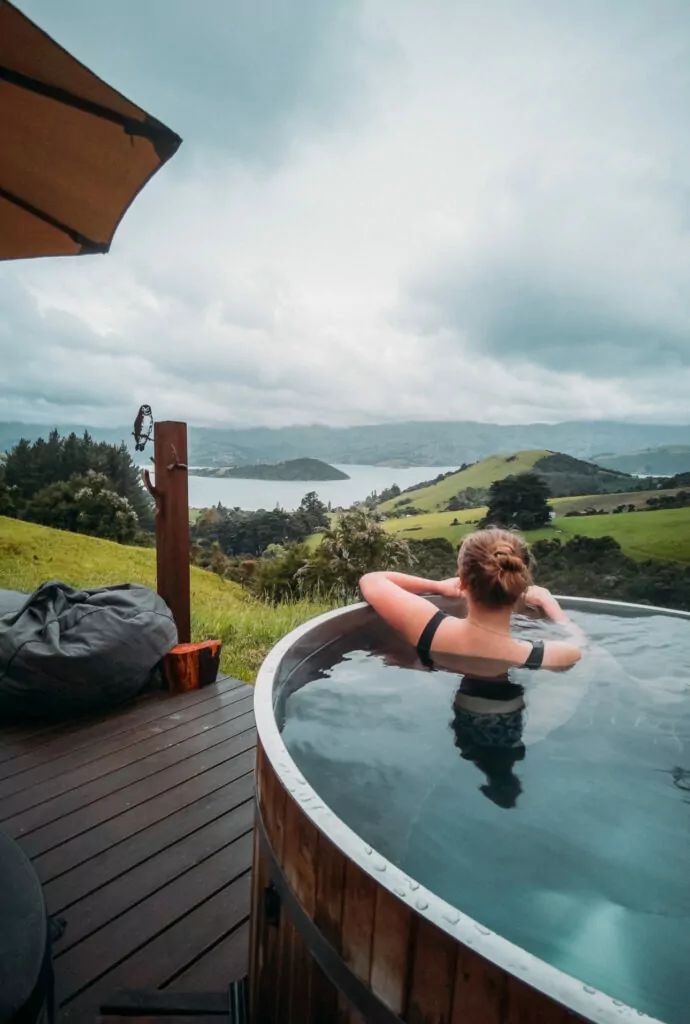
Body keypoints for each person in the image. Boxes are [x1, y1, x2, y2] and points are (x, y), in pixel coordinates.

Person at [359, 526, 583, 677]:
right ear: (519, 586)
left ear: (463, 581)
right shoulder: (549, 655)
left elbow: (372, 580)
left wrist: (437, 586)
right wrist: (553, 607)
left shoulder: (430, 630)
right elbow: (586, 647)